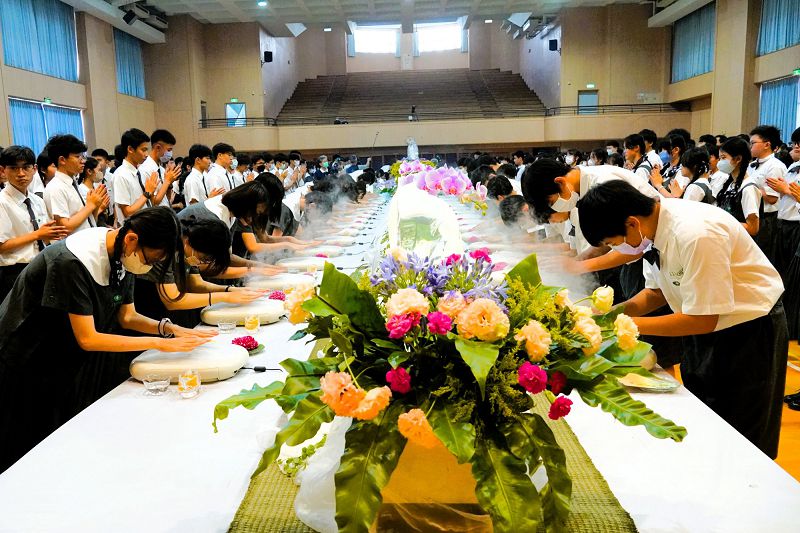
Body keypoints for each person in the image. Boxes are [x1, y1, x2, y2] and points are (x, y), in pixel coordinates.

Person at [577, 180, 787, 459]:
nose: (616, 249)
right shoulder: (652, 231)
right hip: (707, 329)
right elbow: (655, 294)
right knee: (707, 419)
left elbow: (703, 319)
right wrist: (610, 315)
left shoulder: (696, 233)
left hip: (749, 331)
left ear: (631, 223)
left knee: (743, 436)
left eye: (612, 243)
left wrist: (622, 327)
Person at [0, 207, 215, 471]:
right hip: (26, 355)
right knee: (25, 444)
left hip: (59, 355)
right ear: (132, 239)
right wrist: (160, 343)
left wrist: (169, 329)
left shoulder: (122, 252)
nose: (149, 266)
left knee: (59, 437)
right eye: (151, 259)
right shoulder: (72, 261)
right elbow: (88, 338)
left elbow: (127, 316)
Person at [134, 216, 264, 328]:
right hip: (145, 304)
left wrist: (229, 290)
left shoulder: (191, 250)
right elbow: (172, 300)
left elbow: (195, 284)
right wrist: (225, 297)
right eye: (204, 259)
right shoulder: (166, 250)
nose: (202, 263)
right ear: (188, 242)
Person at [0, 146, 68, 300]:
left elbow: (42, 237)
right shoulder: (2, 202)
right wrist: (37, 234)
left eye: (26, 167)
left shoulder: (37, 200)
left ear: (35, 169)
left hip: (41, 265)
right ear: (3, 170)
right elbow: (1, 246)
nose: (21, 174)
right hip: (14, 271)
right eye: (14, 168)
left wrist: (50, 235)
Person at [43, 135, 108, 234]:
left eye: (82, 156)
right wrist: (90, 205)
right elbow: (64, 227)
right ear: (62, 160)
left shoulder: (74, 184)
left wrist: (96, 207)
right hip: (72, 242)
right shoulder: (55, 188)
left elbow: (89, 221)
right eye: (77, 157)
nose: (83, 161)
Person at [748, 125, 786, 265]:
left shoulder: (775, 166)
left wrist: (749, 189)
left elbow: (771, 198)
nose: (750, 147)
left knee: (762, 258)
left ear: (767, 145)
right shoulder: (752, 164)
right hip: (753, 214)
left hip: (767, 219)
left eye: (753, 143)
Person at [113, 129, 160, 225]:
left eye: (147, 150)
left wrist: (151, 194)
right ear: (130, 149)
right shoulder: (120, 175)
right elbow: (127, 212)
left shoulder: (140, 171)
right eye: (143, 150)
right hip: (133, 228)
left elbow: (151, 203)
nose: (146, 154)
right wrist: (147, 193)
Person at [716, 137, 760, 237]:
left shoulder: (749, 188)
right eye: (719, 158)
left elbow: (753, 228)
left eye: (723, 158)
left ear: (738, 159)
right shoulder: (730, 184)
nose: (720, 162)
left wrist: (723, 223)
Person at [137, 129, 180, 209]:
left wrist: (170, 184)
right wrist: (167, 181)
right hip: (156, 214)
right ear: (158, 147)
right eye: (169, 150)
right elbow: (154, 202)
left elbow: (167, 198)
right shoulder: (145, 169)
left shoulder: (161, 169)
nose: (170, 153)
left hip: (165, 211)